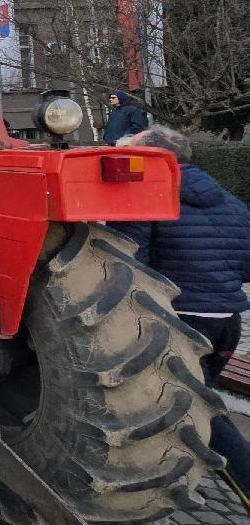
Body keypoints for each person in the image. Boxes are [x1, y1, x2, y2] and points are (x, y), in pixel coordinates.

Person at [113, 126, 250, 496]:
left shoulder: (148, 198)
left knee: (198, 408)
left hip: (181, 321)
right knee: (198, 400)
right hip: (227, 323)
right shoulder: (231, 202)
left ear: (152, 158)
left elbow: (130, 264)